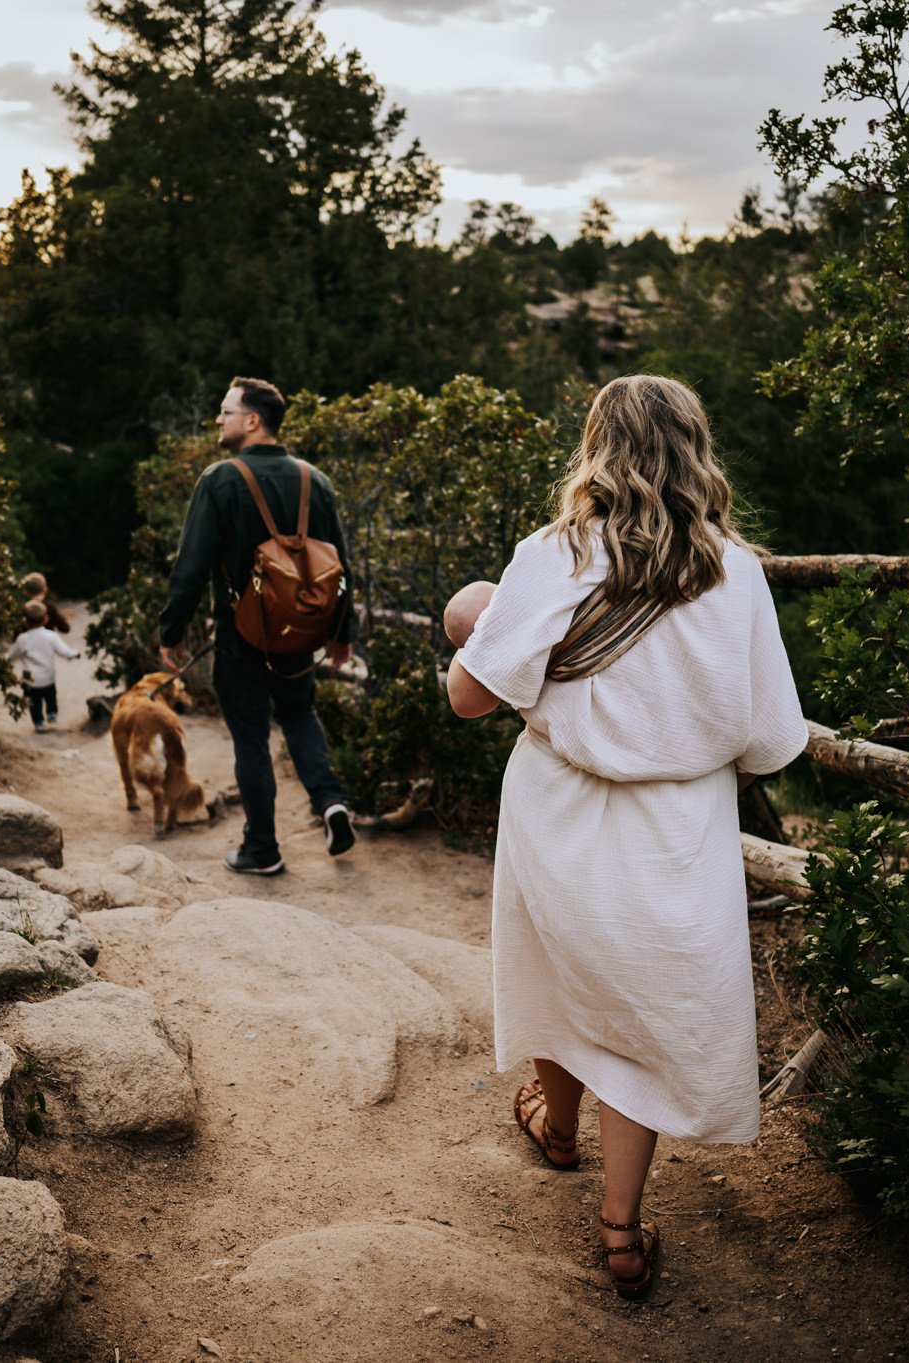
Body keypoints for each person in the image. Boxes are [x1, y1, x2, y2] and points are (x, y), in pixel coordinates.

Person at [444, 374, 808, 1297]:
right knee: (644, 1009)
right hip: (678, 823)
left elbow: (469, 695)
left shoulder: (557, 551)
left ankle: (556, 1129)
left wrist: (480, 633)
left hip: (559, 801)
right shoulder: (737, 570)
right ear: (696, 448)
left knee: (560, 968)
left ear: (597, 449)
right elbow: (770, 741)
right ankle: (619, 1231)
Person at [158, 376, 357, 875]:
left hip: (241, 636)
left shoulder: (220, 480)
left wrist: (171, 631)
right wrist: (342, 633)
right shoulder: (317, 481)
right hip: (300, 633)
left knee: (250, 738)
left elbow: (191, 567)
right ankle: (331, 802)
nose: (218, 420)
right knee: (299, 714)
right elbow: (341, 567)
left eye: (226, 411)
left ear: (252, 421)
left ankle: (262, 850)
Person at [7, 599, 79, 733]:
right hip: (48, 677)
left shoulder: (23, 639)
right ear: (46, 619)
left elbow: (12, 655)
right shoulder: (51, 636)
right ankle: (52, 714)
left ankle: (39, 722)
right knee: (50, 696)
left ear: (24, 621)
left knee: (34, 702)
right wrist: (74, 654)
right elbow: (64, 651)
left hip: (30, 681)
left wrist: (5, 661)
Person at [19, 571, 73, 636]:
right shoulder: (50, 607)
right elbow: (65, 628)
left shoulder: (23, 608)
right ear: (45, 589)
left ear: (26, 592)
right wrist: (61, 617)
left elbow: (17, 634)